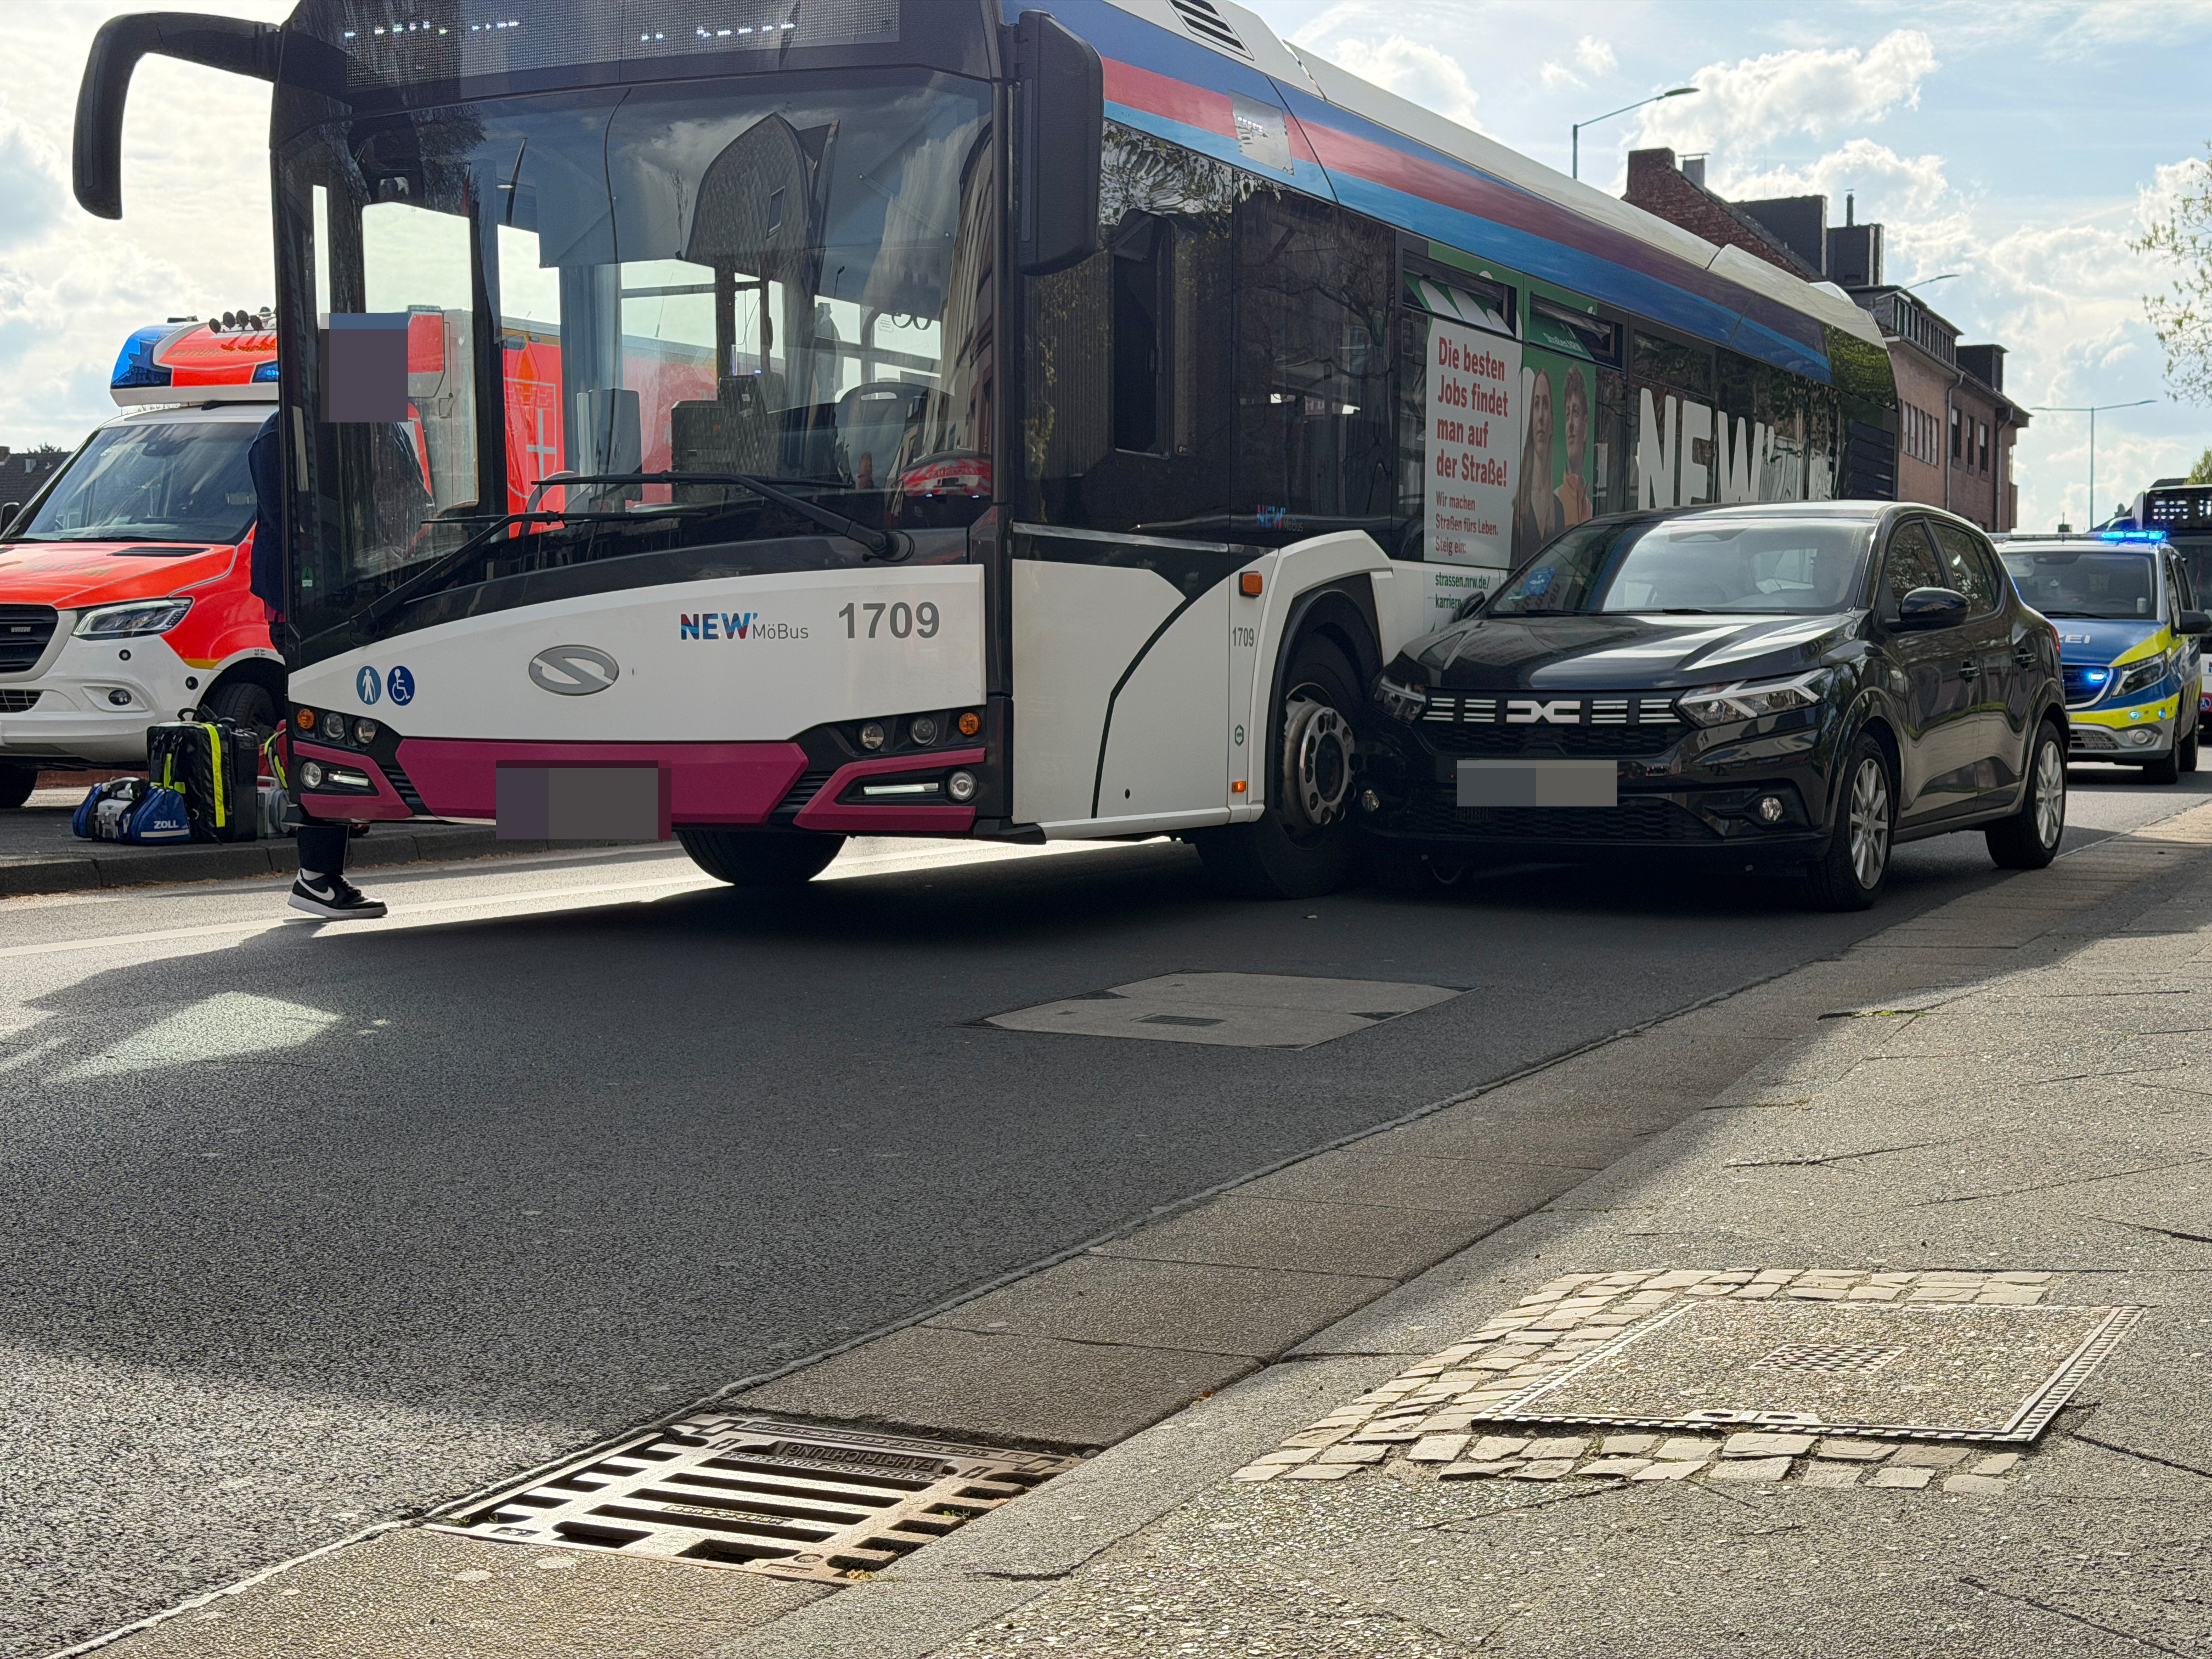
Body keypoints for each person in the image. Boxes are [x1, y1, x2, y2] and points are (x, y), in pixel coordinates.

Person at [246, 412, 387, 920]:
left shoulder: (323, 429)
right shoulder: (288, 436)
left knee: (335, 732)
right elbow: (304, 524)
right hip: (310, 608)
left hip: (325, 603)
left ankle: (323, 874)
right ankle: (317, 876)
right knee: (324, 734)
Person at [1512, 368, 1559, 556]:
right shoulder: (1518, 505)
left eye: (1546, 405)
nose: (1540, 416)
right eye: (1536, 404)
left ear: (1551, 422)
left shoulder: (1559, 509)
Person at [1554, 368, 1593, 528]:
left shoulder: (1589, 507)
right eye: (1567, 415)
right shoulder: (1555, 501)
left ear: (1585, 427)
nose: (1570, 425)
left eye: (1575, 413)